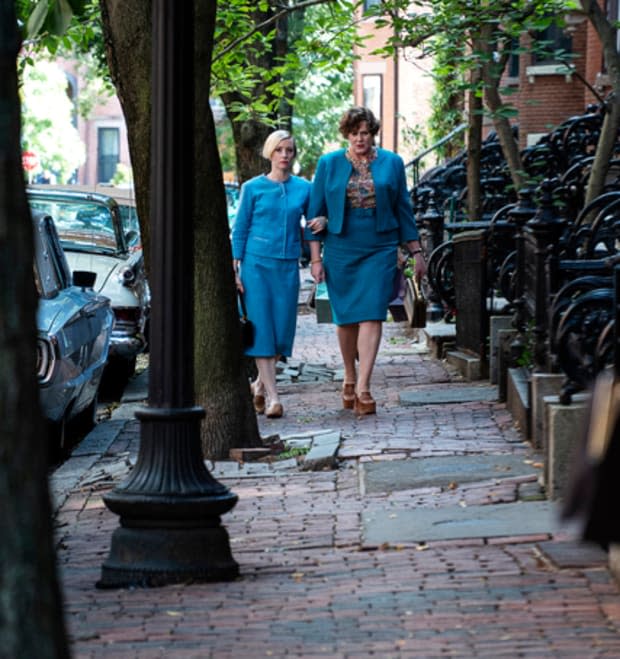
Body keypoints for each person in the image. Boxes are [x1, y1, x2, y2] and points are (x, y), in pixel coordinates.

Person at [306, 106, 426, 415]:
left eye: (366, 133)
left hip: (380, 245)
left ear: (373, 134)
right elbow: (315, 212)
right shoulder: (328, 164)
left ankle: (364, 386)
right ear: (346, 134)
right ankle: (349, 373)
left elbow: (404, 209)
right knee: (345, 317)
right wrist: (316, 258)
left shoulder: (393, 163)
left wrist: (416, 252)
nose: (361, 138)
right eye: (355, 133)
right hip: (342, 247)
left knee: (373, 312)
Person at [232, 130, 311, 418]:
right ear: (269, 153)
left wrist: (321, 221)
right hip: (256, 267)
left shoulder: (304, 188)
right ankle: (274, 399)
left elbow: (314, 224)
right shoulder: (252, 188)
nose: (285, 155)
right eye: (279, 150)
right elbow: (240, 228)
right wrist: (235, 268)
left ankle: (258, 385)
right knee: (262, 330)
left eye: (289, 150)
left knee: (280, 334)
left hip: (288, 266)